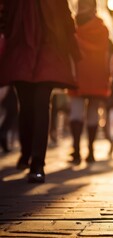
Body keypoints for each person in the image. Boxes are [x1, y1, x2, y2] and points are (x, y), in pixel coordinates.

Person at [0, 0, 80, 183]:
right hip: (24, 51)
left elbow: (66, 19)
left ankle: (37, 162)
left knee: (40, 104)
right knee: (28, 106)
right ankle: (27, 154)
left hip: (45, 52)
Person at [68, 0, 111, 165]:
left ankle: (77, 150)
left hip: (78, 74)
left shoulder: (74, 28)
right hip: (97, 76)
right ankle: (90, 151)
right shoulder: (102, 29)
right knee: (93, 112)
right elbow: (106, 55)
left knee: (76, 112)